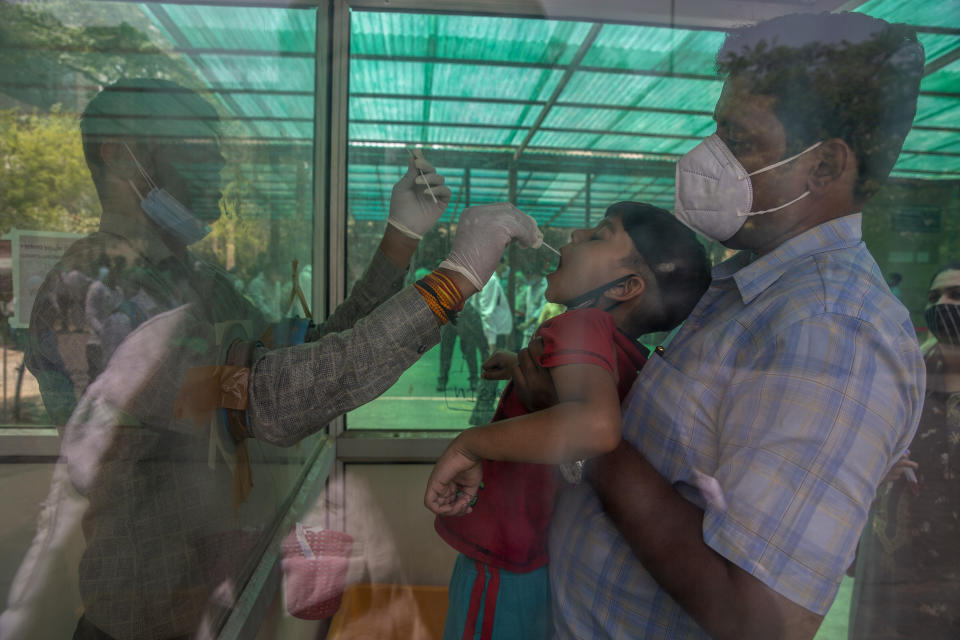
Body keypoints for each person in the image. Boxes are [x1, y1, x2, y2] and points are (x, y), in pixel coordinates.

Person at [8, 78, 540, 640]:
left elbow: (317, 347)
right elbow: (271, 397)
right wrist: (451, 282)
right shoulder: (90, 293)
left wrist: (400, 240)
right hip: (147, 617)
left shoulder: (201, 283)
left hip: (219, 600)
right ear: (120, 153)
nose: (218, 164)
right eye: (196, 142)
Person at [490, 12, 929, 639]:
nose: (707, 157)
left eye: (740, 138)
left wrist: (572, 429)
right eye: (716, 130)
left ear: (826, 166)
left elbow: (761, 620)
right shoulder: (747, 287)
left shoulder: (833, 333)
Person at [424, 202, 712, 640]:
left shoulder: (579, 325)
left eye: (598, 235)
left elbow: (596, 426)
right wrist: (522, 364)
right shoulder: (625, 354)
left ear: (625, 287)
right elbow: (577, 398)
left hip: (503, 563)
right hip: (537, 561)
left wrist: (472, 443)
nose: (576, 234)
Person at [849, 261, 960, 639]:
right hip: (900, 569)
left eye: (956, 296)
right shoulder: (902, 378)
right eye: (935, 297)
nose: (944, 305)